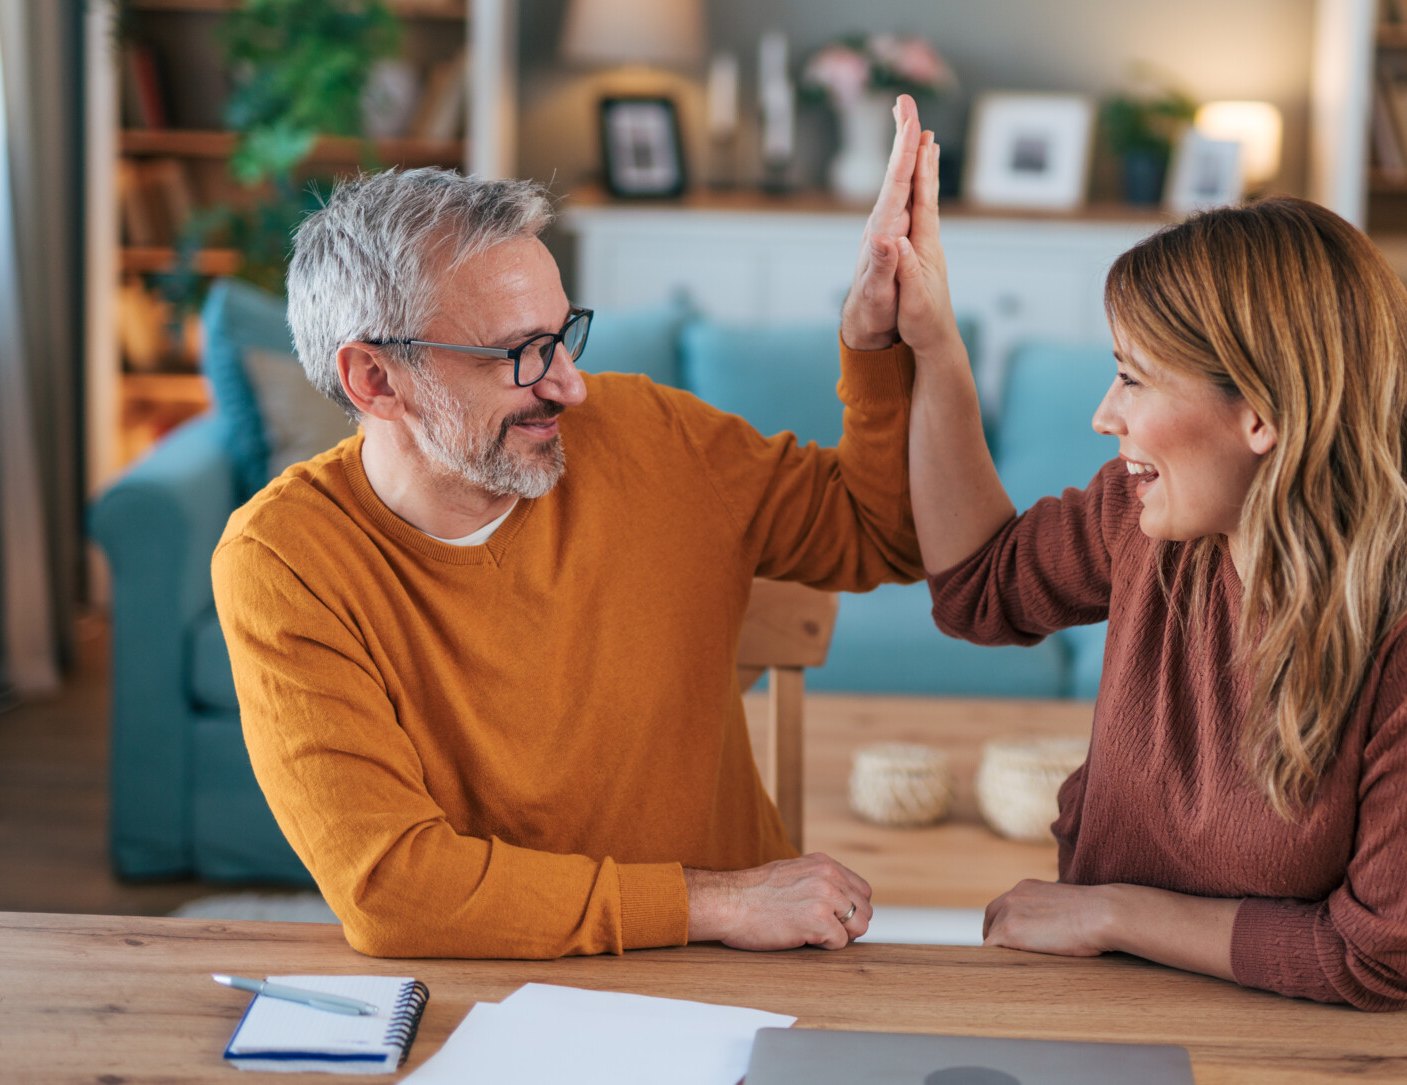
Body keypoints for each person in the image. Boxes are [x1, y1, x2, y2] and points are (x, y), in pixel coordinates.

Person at [212, 99, 946, 959]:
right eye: (522, 353)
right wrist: (711, 901)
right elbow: (395, 890)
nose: (570, 385)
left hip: (745, 971)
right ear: (375, 379)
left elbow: (887, 532)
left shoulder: (650, 433)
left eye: (566, 335)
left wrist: (874, 344)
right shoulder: (285, 560)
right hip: (512, 984)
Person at [876, 153, 1407, 1011]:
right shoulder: (1151, 521)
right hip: (1105, 1008)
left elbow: (1386, 958)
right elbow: (979, 586)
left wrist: (1115, 913)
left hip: (1310, 1042)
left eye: (1133, 377)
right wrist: (933, 342)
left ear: (1260, 413)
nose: (1104, 415)